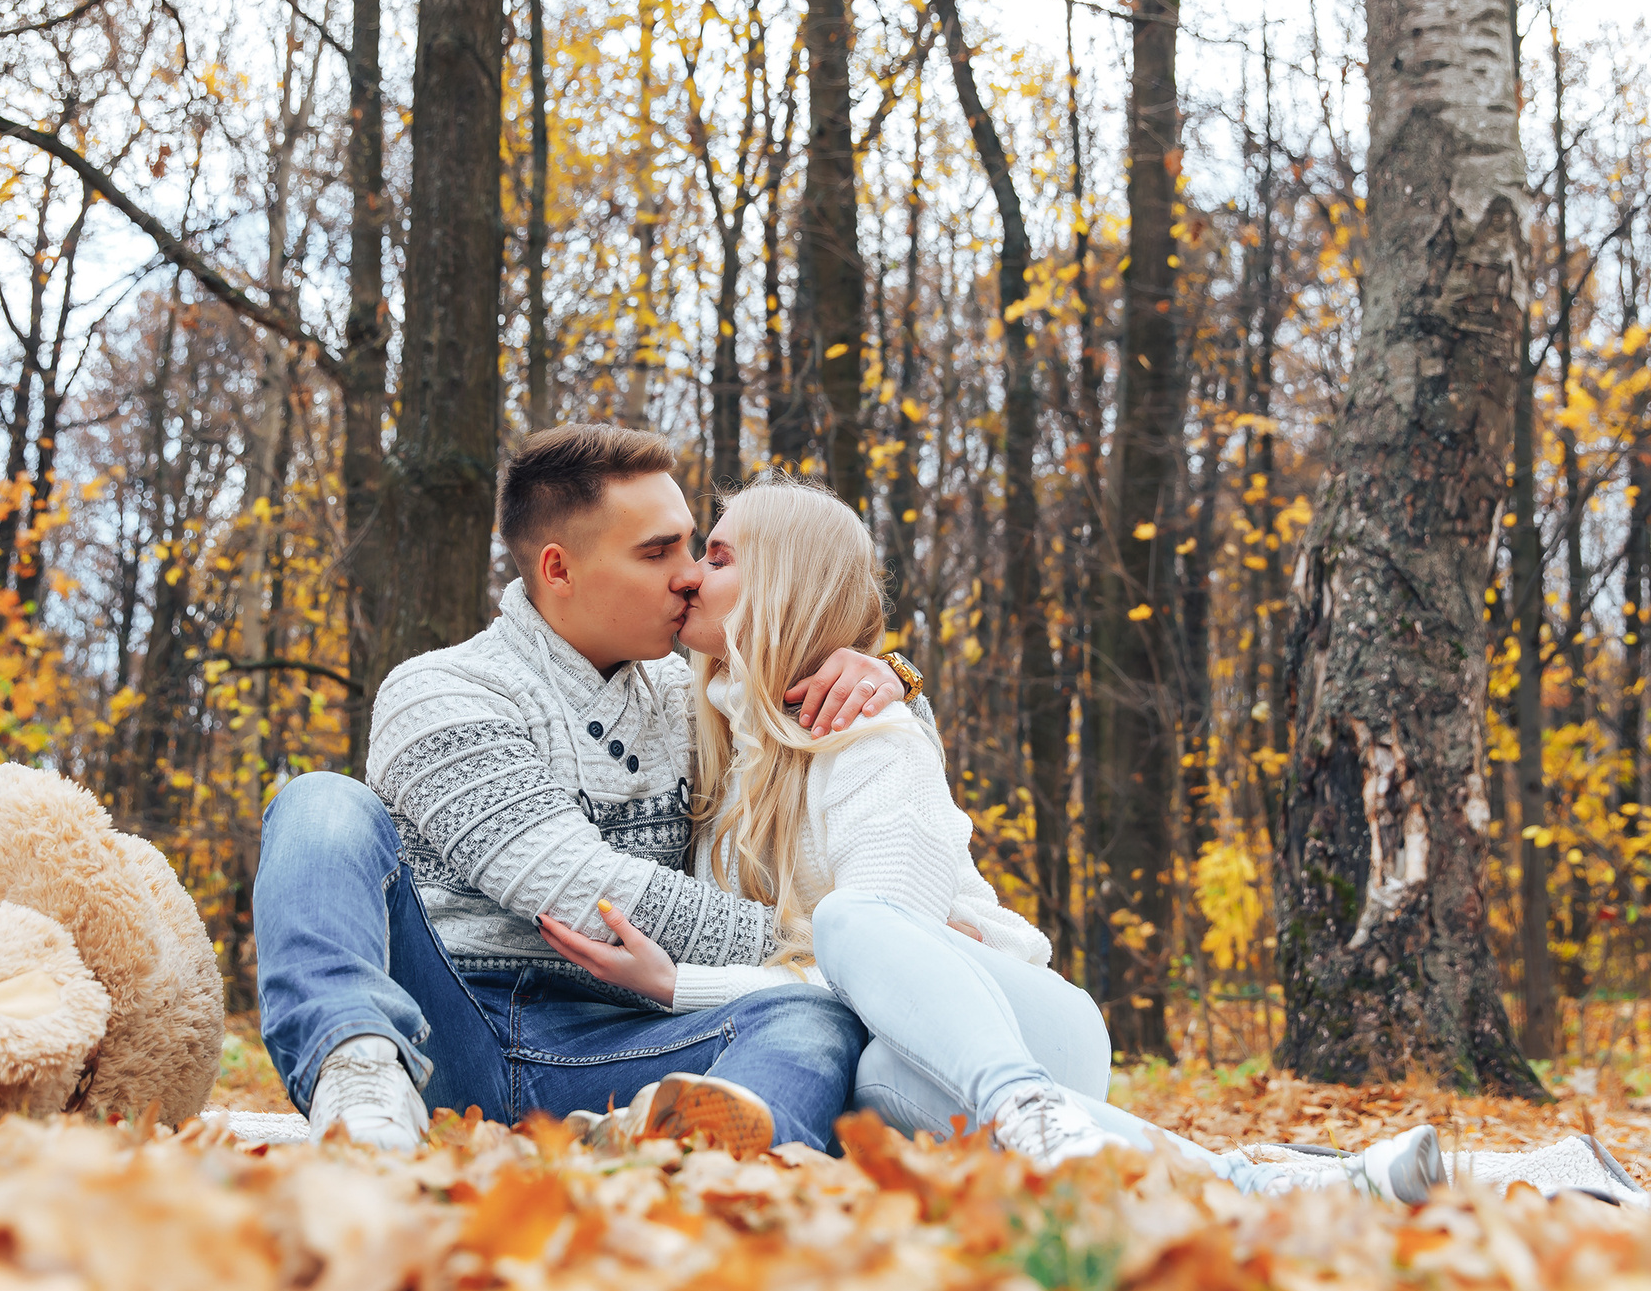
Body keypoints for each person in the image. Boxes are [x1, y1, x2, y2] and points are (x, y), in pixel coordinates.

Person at [538, 473, 1444, 1200]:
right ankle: (1258, 1183)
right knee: (873, 1082)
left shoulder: (870, 739)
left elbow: (872, 966)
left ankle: (1028, 1097)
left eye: (718, 555)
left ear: (784, 582)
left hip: (1023, 1022)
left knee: (854, 920)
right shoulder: (716, 745)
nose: (689, 575)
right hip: (912, 1057)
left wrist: (680, 983)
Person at [251, 426, 912, 1154]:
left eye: (692, 548)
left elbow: (842, 748)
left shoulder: (692, 696)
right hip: (446, 1033)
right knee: (320, 802)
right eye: (657, 553)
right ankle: (359, 1080)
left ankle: (703, 1163)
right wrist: (825, 945)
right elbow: (583, 890)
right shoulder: (442, 690)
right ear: (558, 568)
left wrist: (887, 678)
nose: (690, 576)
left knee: (807, 1017)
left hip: (622, 1045)